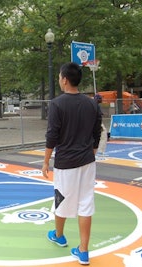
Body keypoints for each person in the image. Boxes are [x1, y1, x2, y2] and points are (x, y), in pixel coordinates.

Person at [42, 62, 102, 265]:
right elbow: (97, 133)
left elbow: (52, 136)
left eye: (60, 76)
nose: (59, 79)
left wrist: (45, 162)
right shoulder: (92, 104)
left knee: (62, 201)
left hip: (66, 163)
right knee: (86, 204)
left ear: (65, 79)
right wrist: (90, 152)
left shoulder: (57, 104)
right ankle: (83, 250)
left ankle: (59, 235)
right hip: (87, 162)